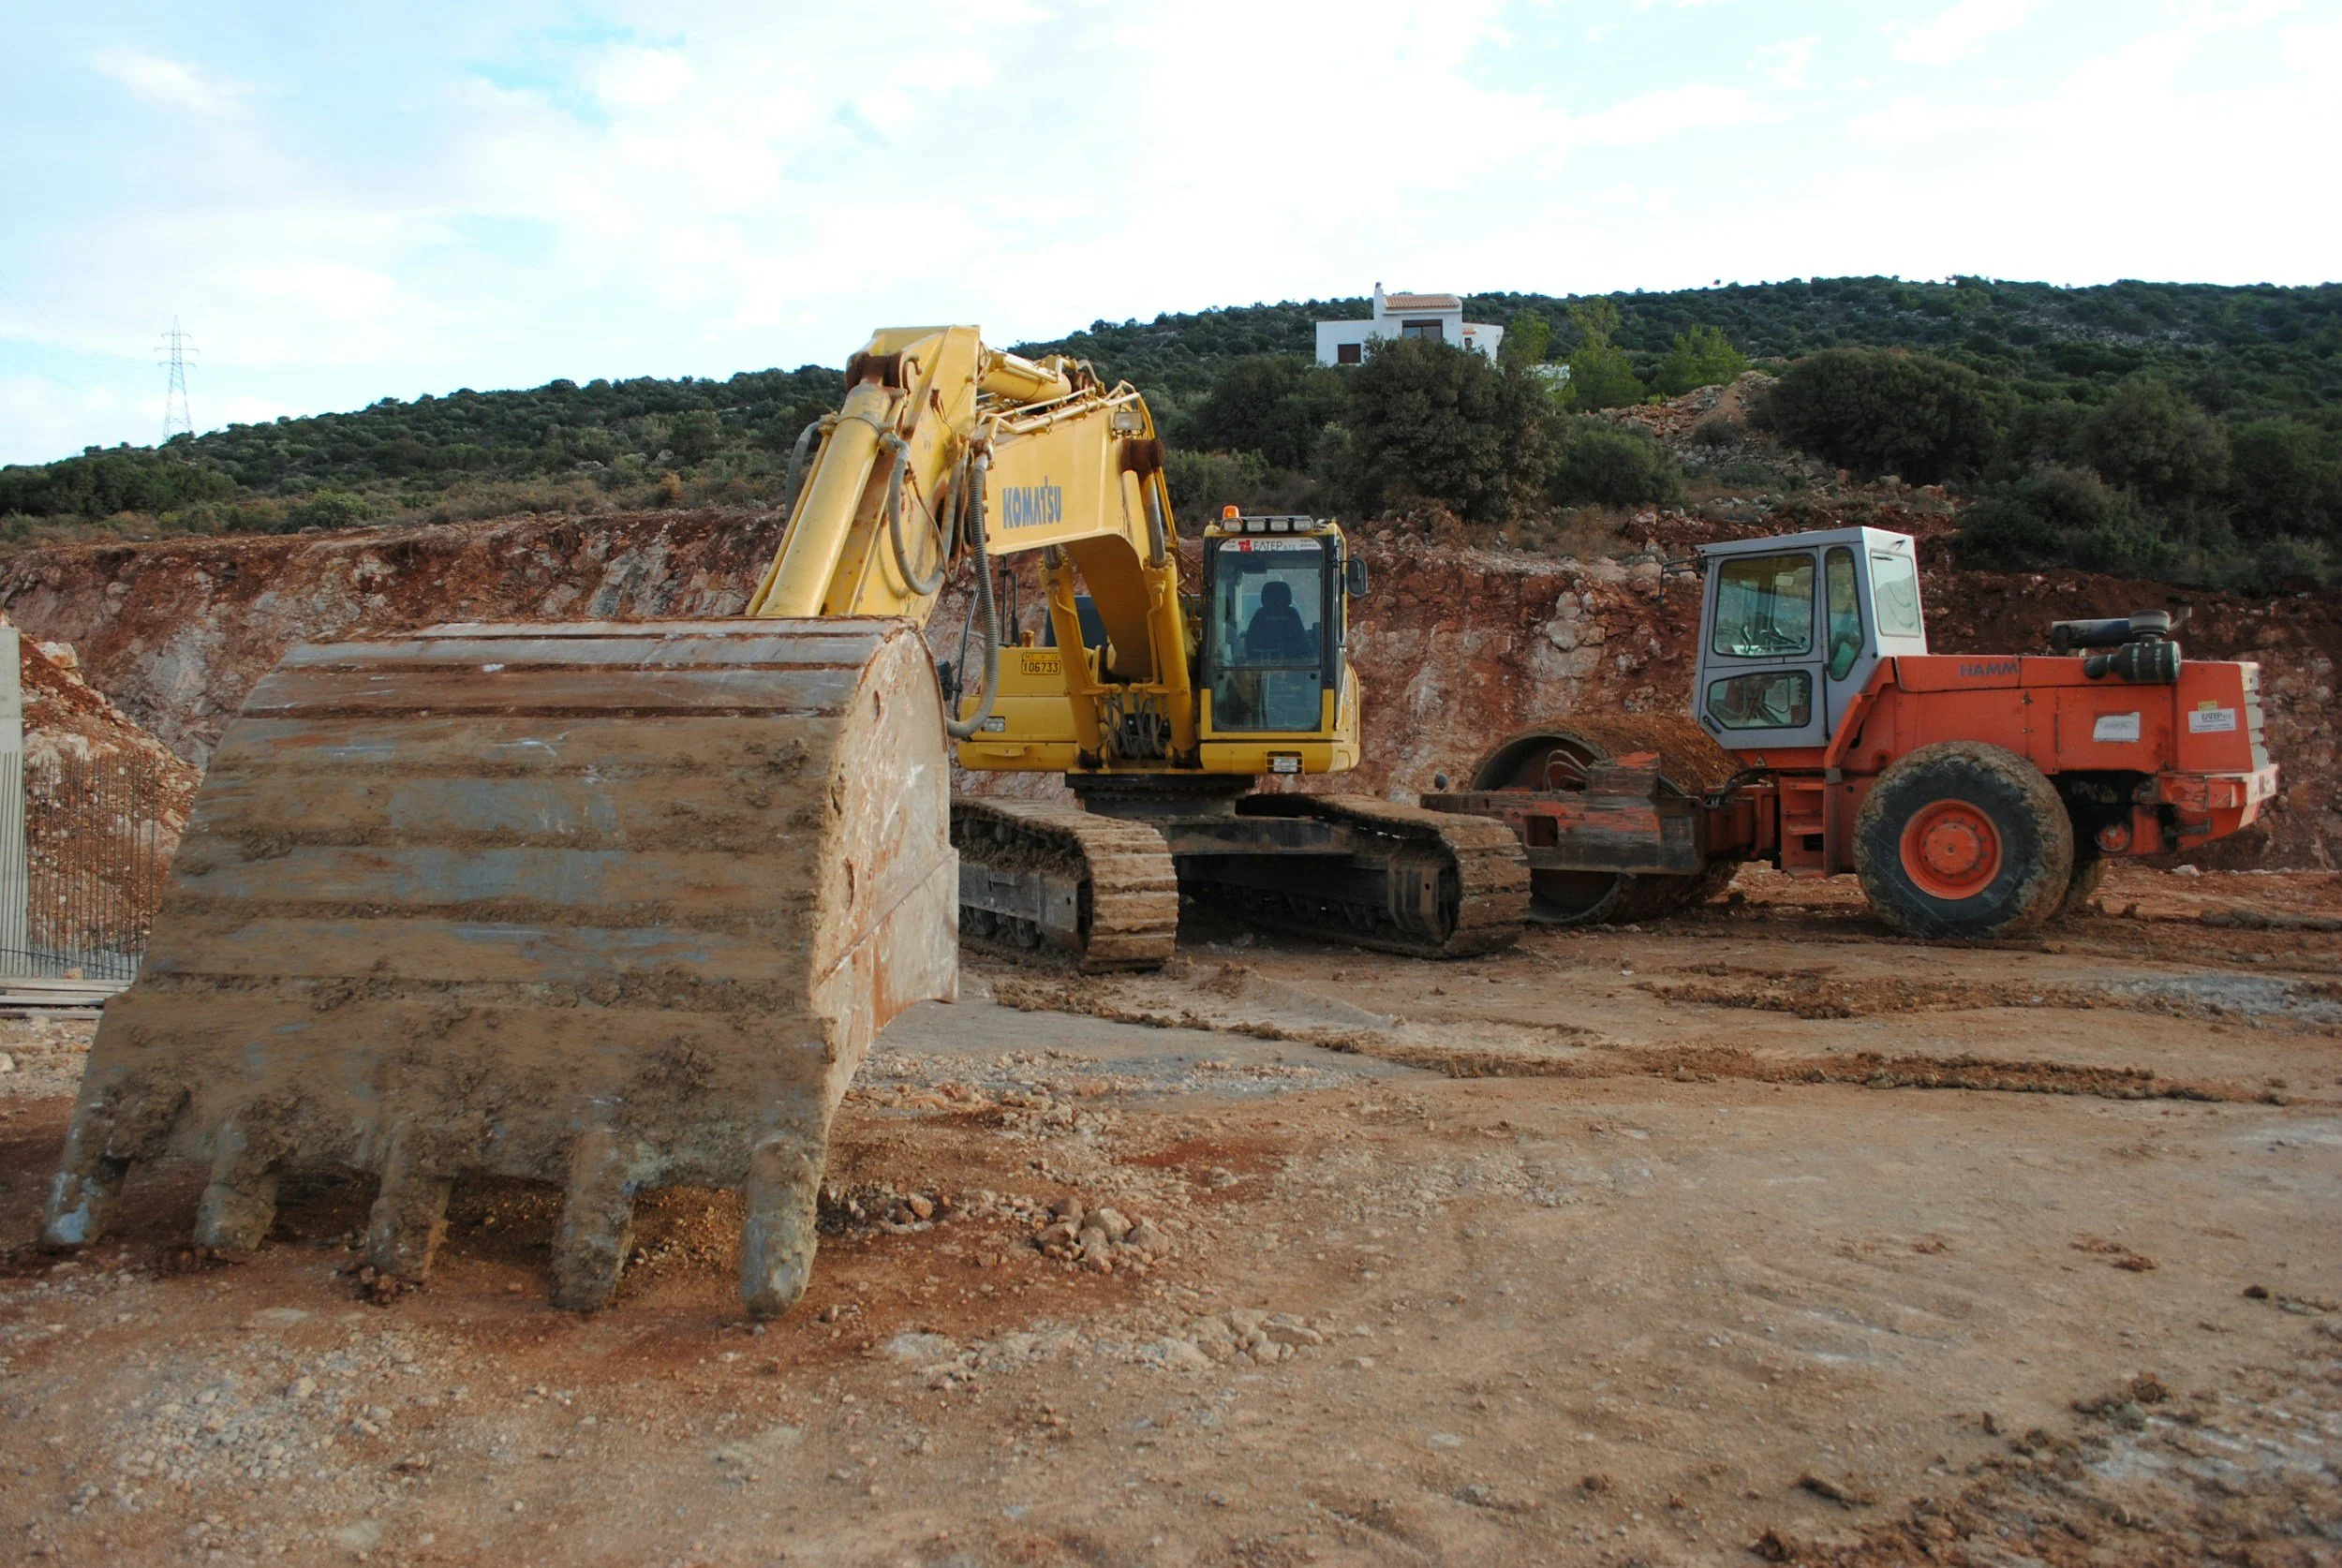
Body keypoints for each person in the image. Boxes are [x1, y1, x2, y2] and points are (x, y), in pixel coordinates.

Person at [1243, 578, 1312, 660]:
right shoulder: (1292, 615)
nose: (1277, 601)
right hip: (1285, 664)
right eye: (1273, 597)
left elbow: (1249, 643)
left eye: (1279, 597)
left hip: (1267, 663)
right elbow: (1303, 643)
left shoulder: (1260, 615)